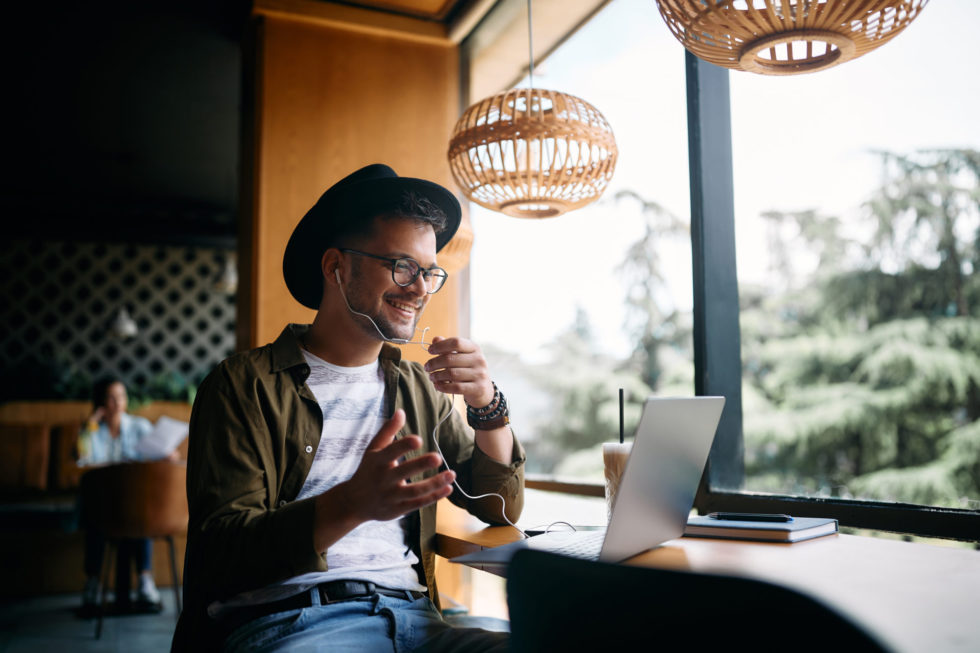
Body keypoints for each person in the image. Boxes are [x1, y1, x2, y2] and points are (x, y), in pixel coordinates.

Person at [173, 164, 525, 652]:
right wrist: (351, 504)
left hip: (417, 619)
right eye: (401, 266)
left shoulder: (416, 389)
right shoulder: (243, 384)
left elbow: (497, 506)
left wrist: (487, 403)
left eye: (428, 272)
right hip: (290, 623)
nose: (420, 288)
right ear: (336, 266)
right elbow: (222, 554)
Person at [78, 377, 163, 614]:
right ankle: (93, 582)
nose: (118, 402)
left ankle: (145, 580)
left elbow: (159, 455)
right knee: (94, 509)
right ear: (100, 402)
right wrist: (91, 424)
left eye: (122, 396)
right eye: (111, 397)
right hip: (104, 501)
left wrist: (167, 455)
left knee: (139, 509)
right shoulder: (93, 429)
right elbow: (82, 457)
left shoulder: (140, 427)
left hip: (133, 503)